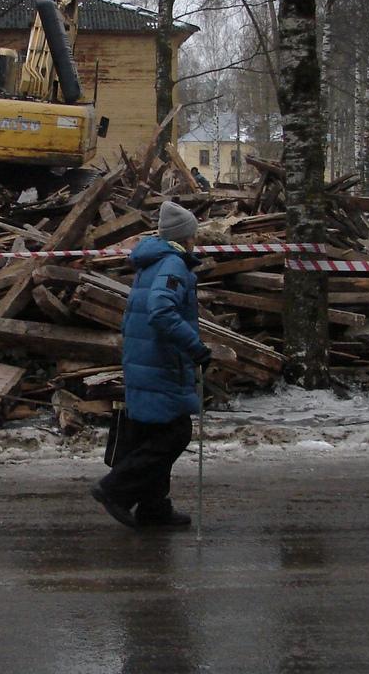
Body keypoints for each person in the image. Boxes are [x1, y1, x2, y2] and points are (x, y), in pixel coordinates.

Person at [92, 200, 211, 529]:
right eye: (193, 234)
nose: (196, 240)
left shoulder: (153, 261)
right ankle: (115, 489)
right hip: (161, 362)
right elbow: (161, 310)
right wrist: (194, 347)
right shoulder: (173, 264)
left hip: (145, 359)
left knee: (153, 432)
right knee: (175, 433)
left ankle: (153, 508)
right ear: (185, 236)